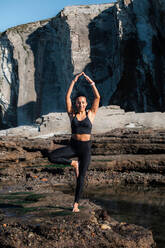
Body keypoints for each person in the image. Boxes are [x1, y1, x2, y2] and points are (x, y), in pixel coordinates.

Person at [48, 72, 100, 212]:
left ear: (86, 104)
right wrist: (73, 81)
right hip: (73, 146)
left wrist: (91, 82)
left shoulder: (91, 114)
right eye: (78, 102)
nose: (81, 104)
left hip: (85, 149)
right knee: (52, 157)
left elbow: (97, 97)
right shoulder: (72, 114)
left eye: (83, 102)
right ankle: (73, 163)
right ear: (76, 104)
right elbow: (67, 97)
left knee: (81, 178)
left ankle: (76, 204)